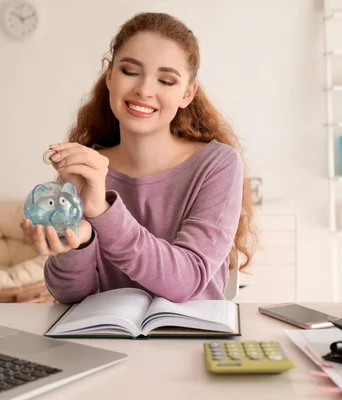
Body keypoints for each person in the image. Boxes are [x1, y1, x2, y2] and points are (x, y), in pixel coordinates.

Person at [21, 12, 256, 304]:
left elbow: (187, 281)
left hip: (190, 341)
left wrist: (102, 211)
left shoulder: (218, 164)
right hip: (104, 341)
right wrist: (79, 241)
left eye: (167, 80)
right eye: (130, 72)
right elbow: (69, 295)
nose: (144, 89)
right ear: (109, 76)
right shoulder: (85, 168)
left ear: (187, 93)